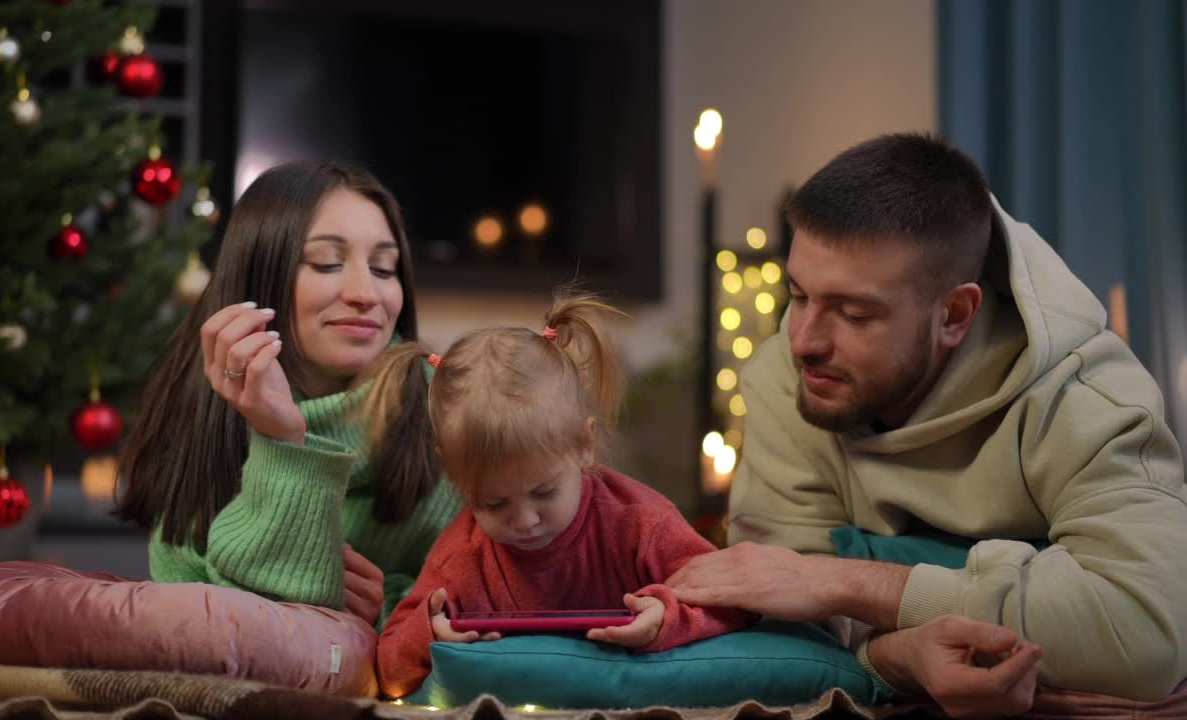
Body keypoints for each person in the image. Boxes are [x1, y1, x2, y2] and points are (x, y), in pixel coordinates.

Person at [667, 133, 1187, 717]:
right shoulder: (785, 384)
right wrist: (905, 656)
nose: (805, 341)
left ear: (954, 315)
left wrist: (849, 583)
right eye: (798, 295)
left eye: (854, 313)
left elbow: (1147, 634)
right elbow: (784, 634)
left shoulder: (1086, 395)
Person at [116, 161, 463, 630]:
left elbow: (488, 597)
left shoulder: (448, 411)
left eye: (385, 268)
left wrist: (389, 612)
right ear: (259, 275)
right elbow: (200, 623)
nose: (367, 293)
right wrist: (282, 436)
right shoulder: (199, 411)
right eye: (326, 262)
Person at [373, 292, 752, 699]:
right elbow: (389, 669)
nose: (524, 521)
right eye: (493, 503)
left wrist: (668, 617)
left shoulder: (640, 522)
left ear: (585, 444)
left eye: (544, 492)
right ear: (453, 473)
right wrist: (431, 631)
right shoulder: (461, 557)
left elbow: (737, 600)